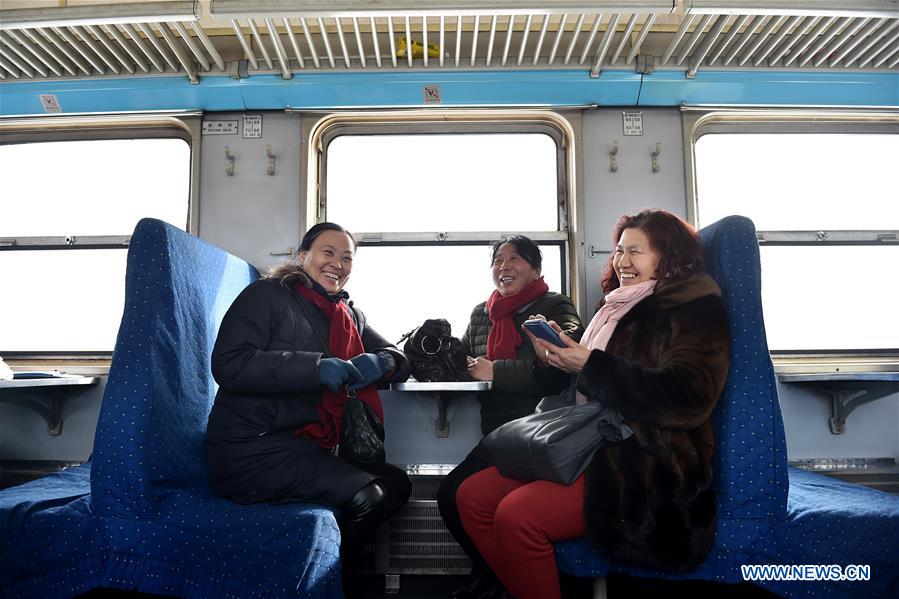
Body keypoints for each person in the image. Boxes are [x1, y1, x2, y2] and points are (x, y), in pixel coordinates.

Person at [456, 209, 731, 599]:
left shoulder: (693, 306)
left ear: (669, 255)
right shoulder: (616, 305)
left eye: (636, 252)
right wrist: (558, 358)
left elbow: (689, 396)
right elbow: (595, 375)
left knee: (517, 515)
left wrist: (589, 364)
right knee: (472, 497)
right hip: (594, 438)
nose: (622, 262)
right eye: (619, 251)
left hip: (644, 459)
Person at [204, 222, 412, 594]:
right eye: (328, 252)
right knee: (370, 497)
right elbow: (229, 363)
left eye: (346, 257)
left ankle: (335, 571)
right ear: (303, 257)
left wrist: (384, 362)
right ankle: (329, 587)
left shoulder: (347, 312)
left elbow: (399, 356)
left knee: (397, 484)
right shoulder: (266, 295)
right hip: (251, 448)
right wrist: (312, 368)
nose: (338, 263)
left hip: (304, 446)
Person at [437, 235, 584, 599]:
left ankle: (499, 579)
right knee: (451, 495)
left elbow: (566, 360)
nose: (504, 267)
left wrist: (496, 372)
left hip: (540, 429)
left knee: (457, 494)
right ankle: (491, 573)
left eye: (515, 259)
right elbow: (471, 365)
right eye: (498, 261)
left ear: (536, 268)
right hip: (497, 431)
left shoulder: (555, 305)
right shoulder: (481, 313)